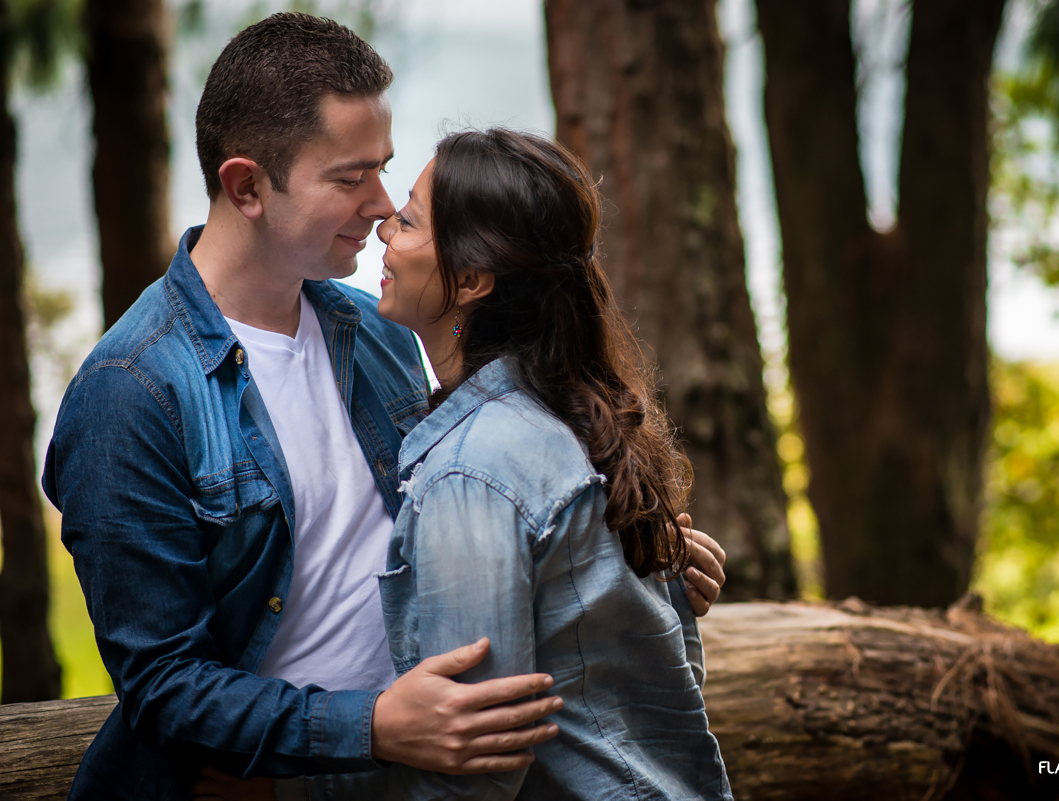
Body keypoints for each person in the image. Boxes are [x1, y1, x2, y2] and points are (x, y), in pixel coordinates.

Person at [41, 14, 727, 801]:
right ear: (246, 186)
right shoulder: (129, 393)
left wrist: (619, 564)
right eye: (348, 177)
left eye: (385, 170)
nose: (379, 203)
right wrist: (371, 727)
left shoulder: (373, 328)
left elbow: (477, 509)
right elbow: (162, 686)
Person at [247, 129, 734, 801]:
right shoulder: (571, 413)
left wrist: (286, 790)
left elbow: (475, 767)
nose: (385, 226)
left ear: (472, 281)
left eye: (411, 219)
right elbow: (662, 683)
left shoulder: (471, 472)